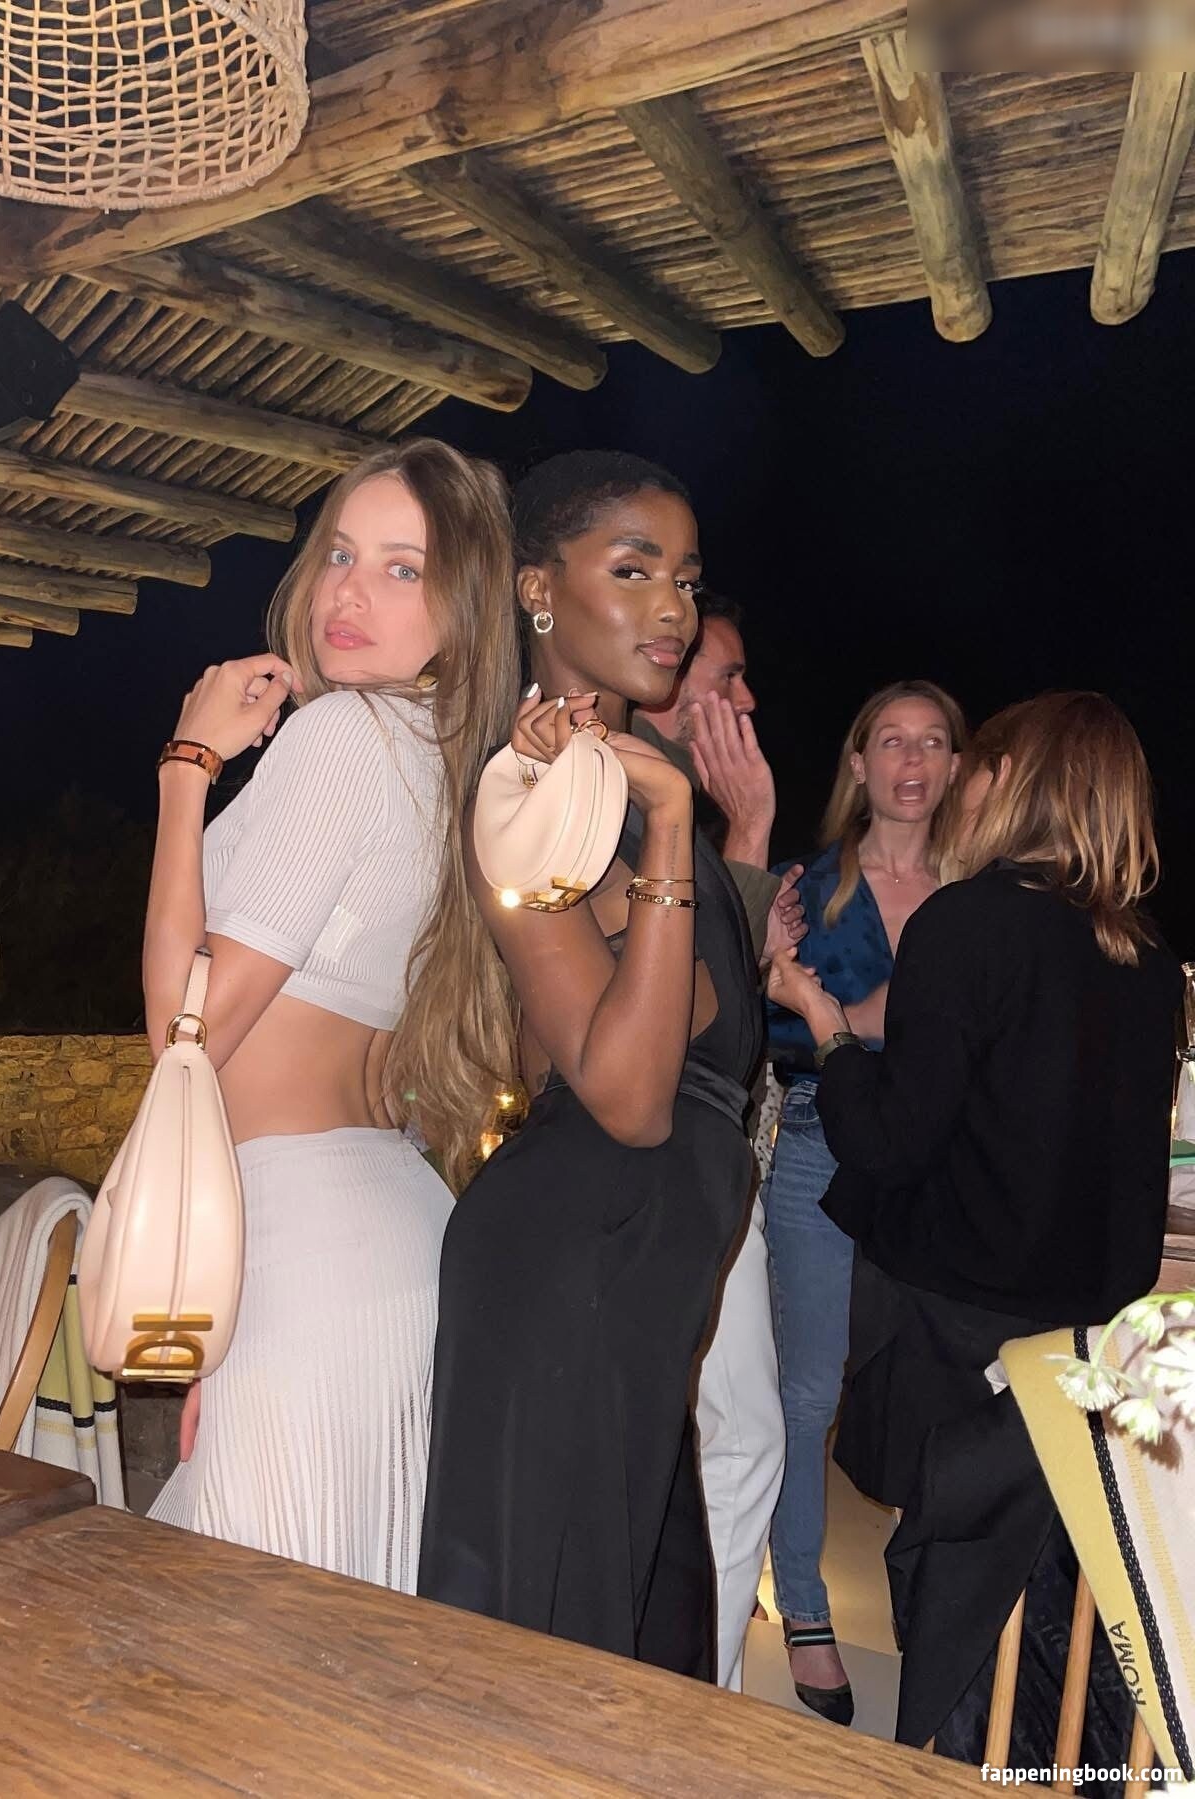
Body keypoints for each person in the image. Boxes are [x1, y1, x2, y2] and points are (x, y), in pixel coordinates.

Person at [768, 691, 1181, 1754]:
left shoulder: (968, 921)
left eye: (985, 760)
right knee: (1032, 1601)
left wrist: (825, 1027)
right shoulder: (1141, 954)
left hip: (957, 1329)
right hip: (1075, 1339)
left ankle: (951, 1767)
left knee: (953, 1585)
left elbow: (889, 1139)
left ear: (1018, 780)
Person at [146, 440, 520, 1594]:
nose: (350, 591)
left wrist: (188, 764)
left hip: (305, 1246)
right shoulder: (446, 760)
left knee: (243, 1638)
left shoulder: (346, 737)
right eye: (342, 554)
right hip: (381, 1230)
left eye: (403, 568)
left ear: (462, 604)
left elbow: (185, 1034)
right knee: (334, 1628)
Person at [419, 451, 764, 1678]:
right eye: (634, 570)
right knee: (550, 1674)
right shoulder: (525, 796)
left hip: (635, 1277)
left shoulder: (613, 772)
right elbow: (626, 1092)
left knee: (633, 1659)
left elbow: (698, 1018)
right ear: (538, 588)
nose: (673, 607)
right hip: (575, 1263)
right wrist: (671, 828)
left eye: (687, 579)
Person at [761, 679, 965, 1721]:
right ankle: (804, 1604)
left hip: (940, 1158)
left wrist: (844, 1011)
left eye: (932, 741)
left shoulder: (978, 891)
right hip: (820, 1143)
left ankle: (939, 1603)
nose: (912, 760)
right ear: (859, 763)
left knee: (940, 1381)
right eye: (892, 740)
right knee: (809, 1388)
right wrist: (779, 971)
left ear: (957, 766)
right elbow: (770, 1025)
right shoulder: (808, 886)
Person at [634, 595, 796, 1691]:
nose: (747, 697)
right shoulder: (639, 801)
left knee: (723, 1435)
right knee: (736, 1439)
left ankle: (697, 1681)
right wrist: (749, 834)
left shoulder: (667, 803)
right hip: (668, 1161)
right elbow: (694, 1023)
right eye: (726, 676)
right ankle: (700, 1694)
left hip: (702, 1161)